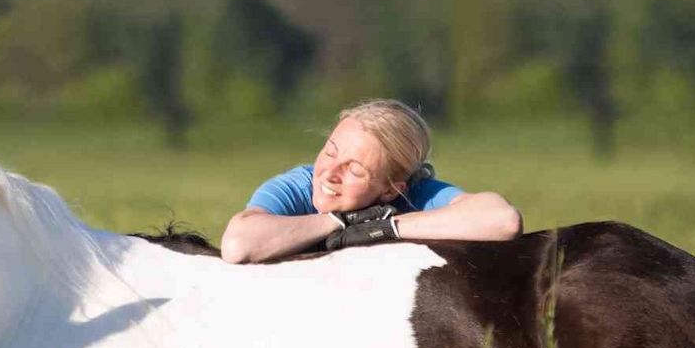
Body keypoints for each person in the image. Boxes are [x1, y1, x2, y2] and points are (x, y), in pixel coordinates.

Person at [220, 99, 522, 264]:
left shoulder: (416, 194)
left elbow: (503, 220)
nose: (329, 173)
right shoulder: (299, 185)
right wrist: (340, 222)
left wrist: (384, 227)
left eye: (354, 170)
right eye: (330, 152)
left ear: (391, 190)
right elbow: (237, 244)